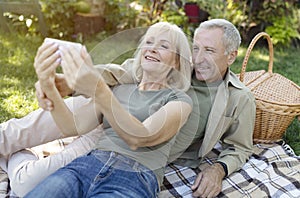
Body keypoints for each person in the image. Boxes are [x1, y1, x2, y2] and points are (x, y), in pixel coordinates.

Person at [1, 19, 255, 198]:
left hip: (133, 145)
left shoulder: (235, 98)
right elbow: (122, 72)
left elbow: (240, 147)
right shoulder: (169, 63)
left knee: (26, 186)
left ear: (230, 56)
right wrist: (60, 84)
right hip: (109, 114)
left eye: (209, 51)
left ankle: (14, 157)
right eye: (196, 48)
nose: (197, 58)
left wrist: (218, 169)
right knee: (19, 130)